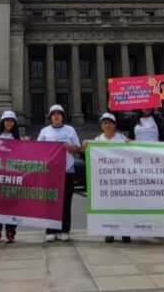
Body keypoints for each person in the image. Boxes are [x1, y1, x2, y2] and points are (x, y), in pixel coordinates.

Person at [37, 104, 81, 242]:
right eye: (54, 114)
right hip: (50, 172)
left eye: (59, 113)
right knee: (51, 201)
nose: (56, 116)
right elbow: (37, 149)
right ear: (50, 117)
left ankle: (64, 230)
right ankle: (51, 230)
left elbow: (78, 149)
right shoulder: (45, 131)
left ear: (62, 116)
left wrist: (69, 148)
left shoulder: (70, 130)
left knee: (66, 201)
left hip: (67, 170)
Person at [87, 112, 130, 244]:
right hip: (105, 180)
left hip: (121, 178)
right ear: (101, 126)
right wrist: (85, 143)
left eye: (110, 123)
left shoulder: (121, 138)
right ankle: (110, 230)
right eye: (105, 123)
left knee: (123, 206)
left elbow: (131, 152)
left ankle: (125, 231)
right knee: (108, 206)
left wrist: (131, 144)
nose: (107, 125)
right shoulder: (98, 140)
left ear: (115, 125)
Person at [0, 110, 23, 244]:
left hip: (12, 176)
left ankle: (11, 231)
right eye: (7, 120)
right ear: (2, 122)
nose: (9, 123)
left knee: (11, 205)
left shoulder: (17, 139)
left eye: (11, 121)